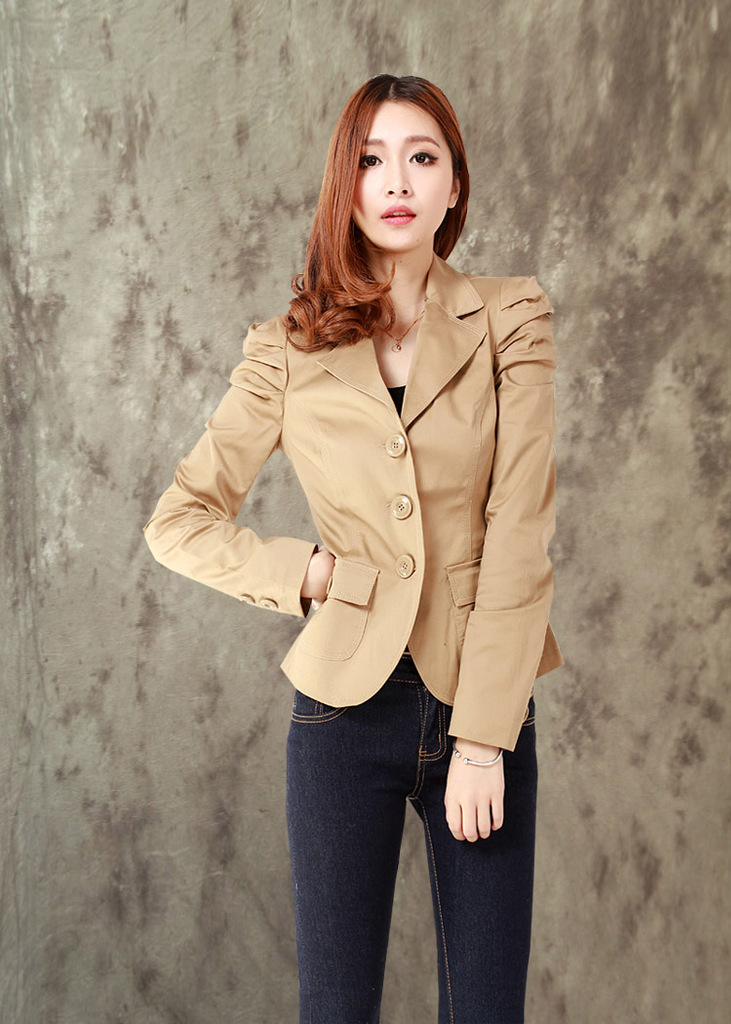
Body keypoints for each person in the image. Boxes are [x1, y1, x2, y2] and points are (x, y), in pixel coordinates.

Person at [144, 73, 563, 1024]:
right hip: (342, 713)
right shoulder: (285, 349)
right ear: (346, 184)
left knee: (486, 1010)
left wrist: (483, 740)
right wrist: (311, 574)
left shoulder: (511, 318)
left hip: (482, 698)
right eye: (371, 160)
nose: (397, 180)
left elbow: (520, 530)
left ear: (454, 184)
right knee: (334, 1010)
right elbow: (180, 519)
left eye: (422, 157)